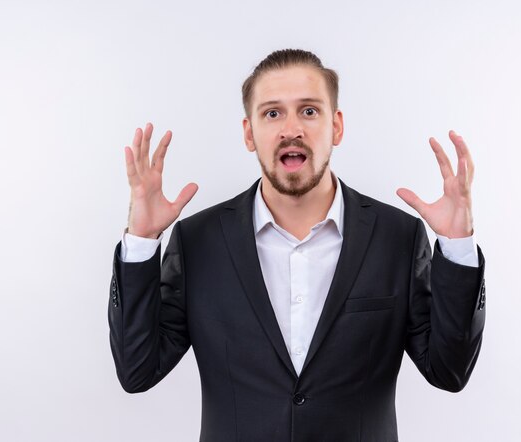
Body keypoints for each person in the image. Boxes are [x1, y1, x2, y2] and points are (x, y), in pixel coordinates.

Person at [108, 48, 486, 441]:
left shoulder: (398, 238)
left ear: (336, 126)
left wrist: (457, 245)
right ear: (248, 133)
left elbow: (449, 372)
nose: (291, 129)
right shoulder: (198, 242)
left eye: (309, 111)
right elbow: (137, 371)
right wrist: (141, 241)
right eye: (272, 113)